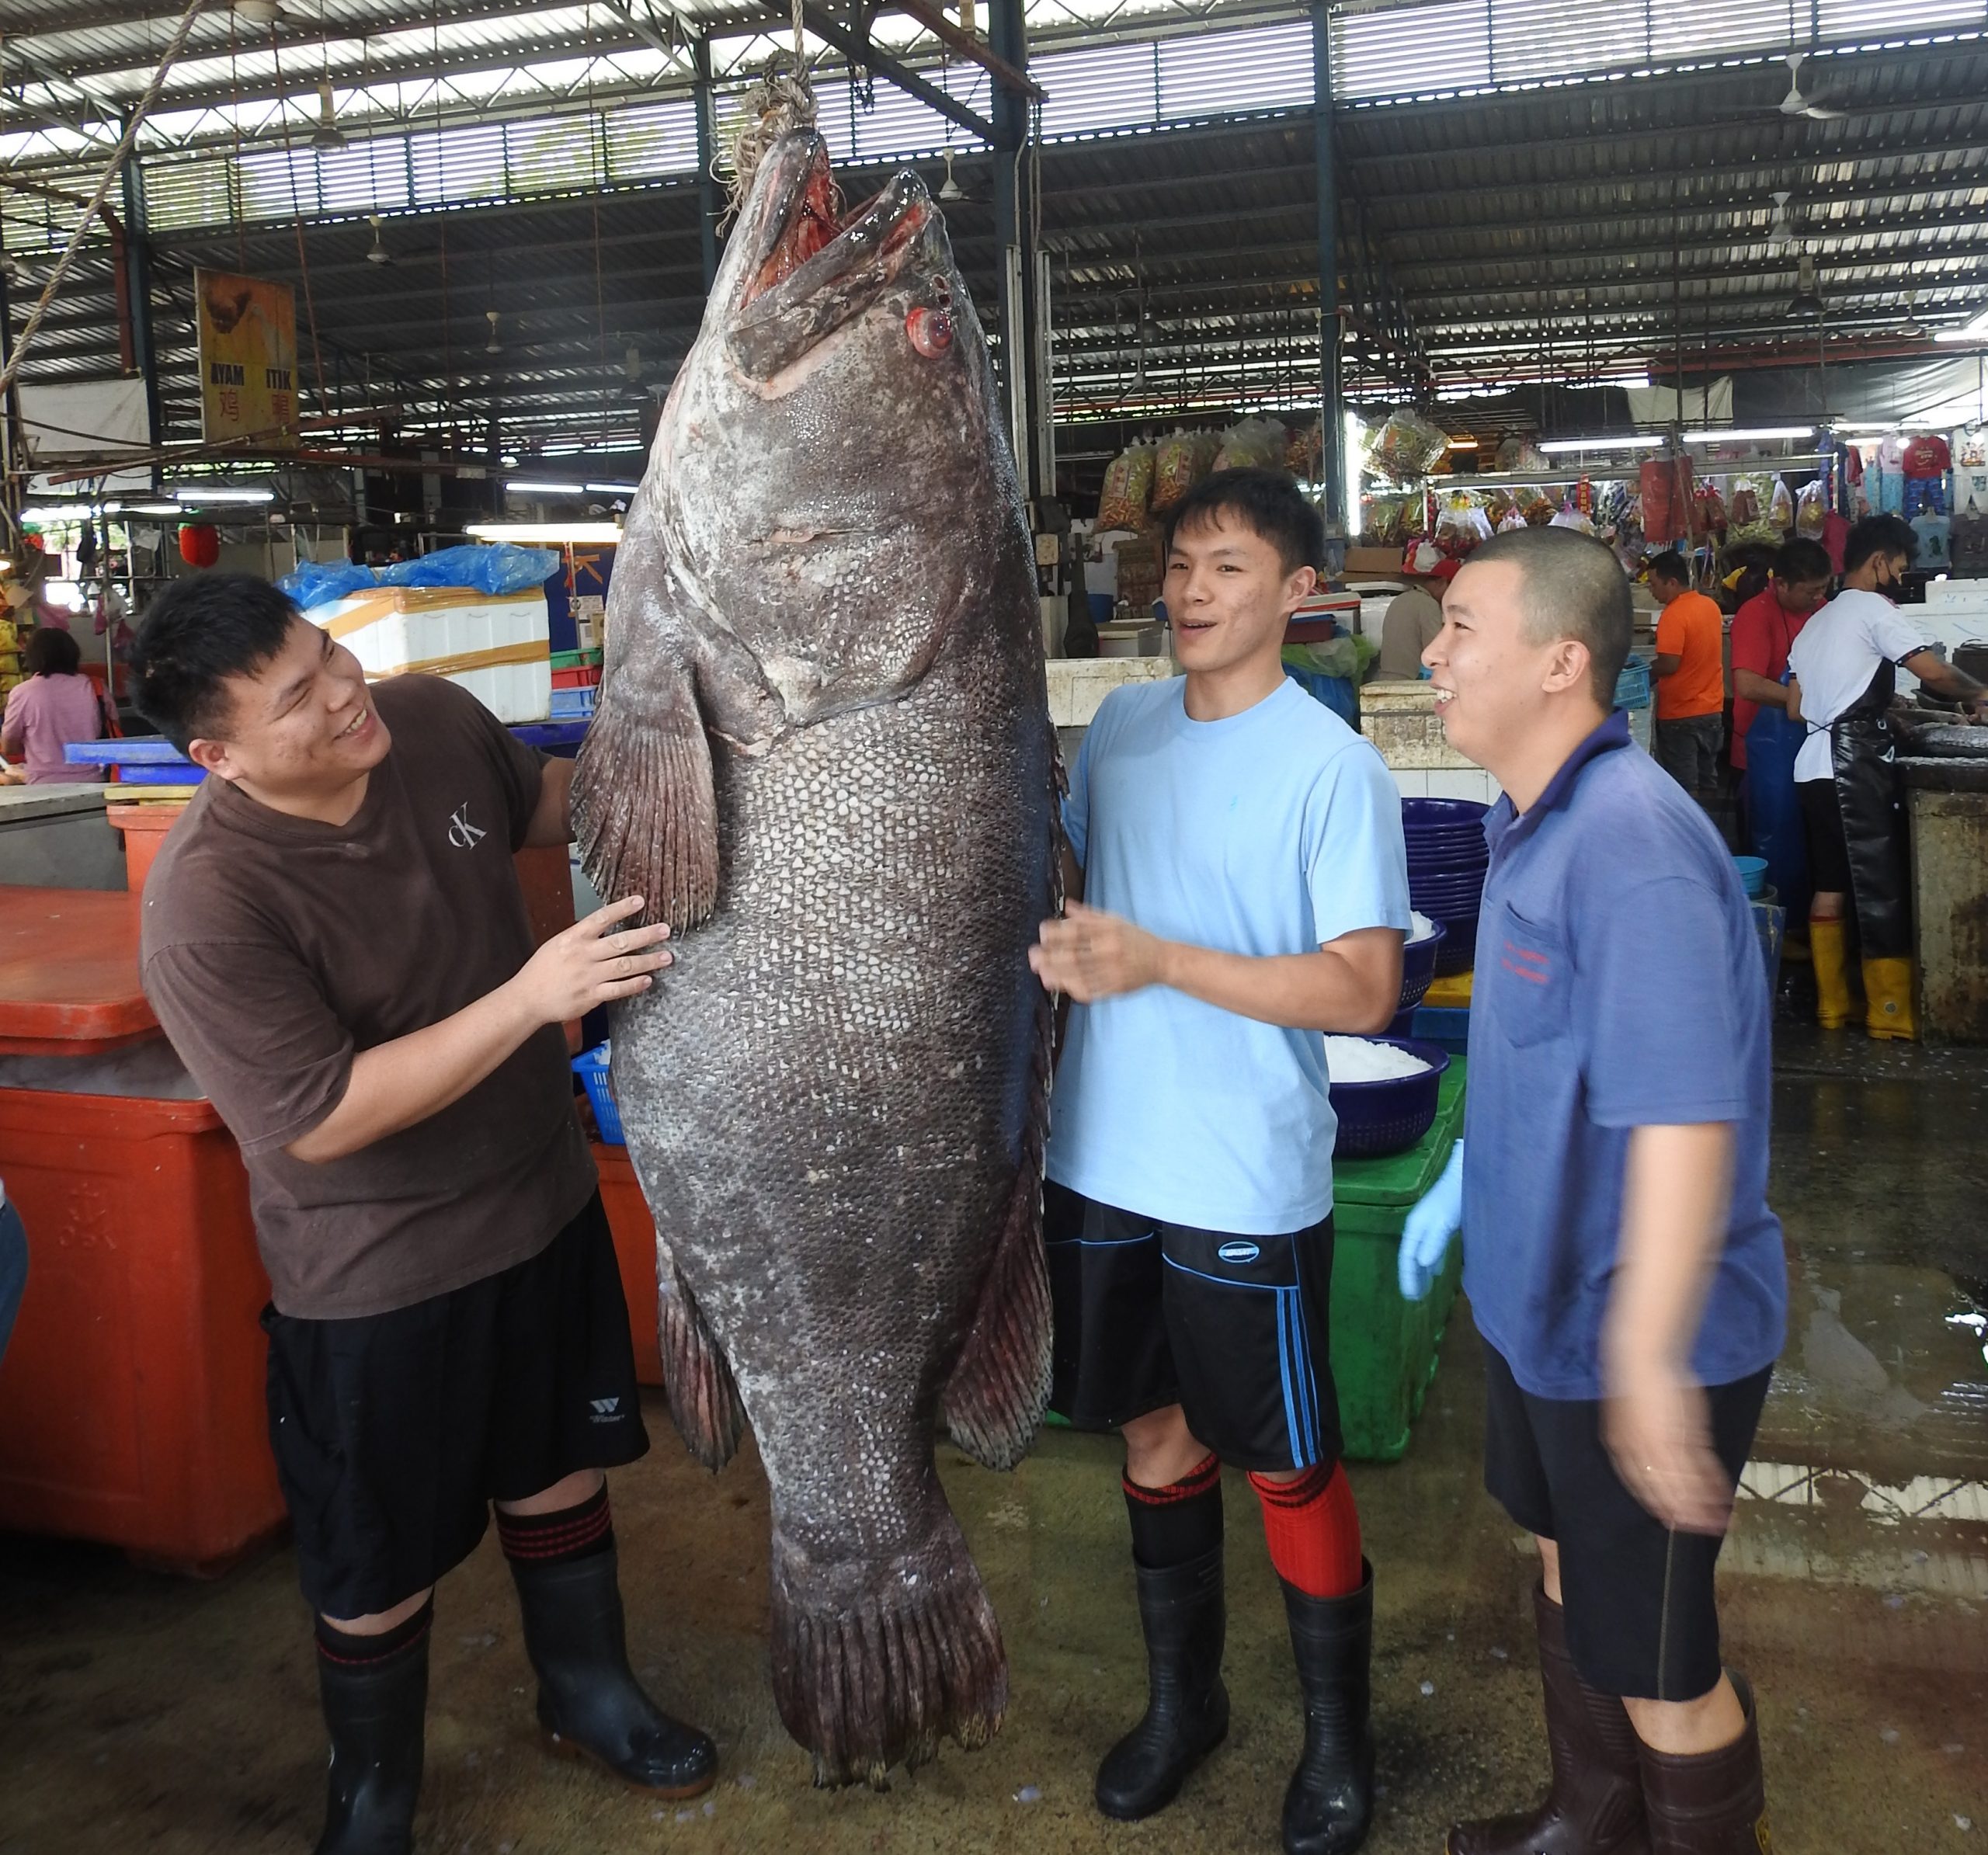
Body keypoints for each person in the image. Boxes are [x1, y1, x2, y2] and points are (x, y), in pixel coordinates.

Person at [129, 574, 714, 1855]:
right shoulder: (205, 905)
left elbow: (551, 802)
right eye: (299, 697)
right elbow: (320, 1113)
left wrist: (703, 757)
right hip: (376, 1270)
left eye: (329, 653)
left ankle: (587, 1691)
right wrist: (529, 996)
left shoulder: (433, 721)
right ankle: (376, 1786)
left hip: (541, 1203)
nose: (344, 695)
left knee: (557, 1466)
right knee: (374, 1557)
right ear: (218, 756)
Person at [1028, 467, 1410, 1855]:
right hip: (1100, 1156)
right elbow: (1063, 877)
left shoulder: (1329, 766)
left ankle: (1334, 1740)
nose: (1190, 591)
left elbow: (1366, 989)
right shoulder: (1121, 726)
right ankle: (1186, 1703)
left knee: (1288, 1460)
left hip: (1243, 1168)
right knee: (1146, 1425)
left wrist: (1157, 958)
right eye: (1178, 564)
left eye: (1228, 567)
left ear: (1300, 593)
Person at [1398, 526, 1785, 1855]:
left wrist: (1646, 1347)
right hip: (1543, 1310)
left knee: (1664, 1665)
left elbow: (1683, 1114)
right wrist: (1471, 1184)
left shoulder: (1632, 843)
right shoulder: (1531, 825)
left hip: (1640, 1327)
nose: (1433, 654)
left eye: (1460, 627)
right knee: (1567, 1562)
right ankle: (1591, 1816)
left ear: (1563, 661)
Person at [1786, 514, 1988, 1038]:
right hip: (1854, 764)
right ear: (1878, 563)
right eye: (1899, 567)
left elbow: (1795, 707)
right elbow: (1935, 672)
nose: (1900, 577)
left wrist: (1876, 701)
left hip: (1811, 765)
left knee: (1829, 883)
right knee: (1879, 883)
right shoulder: (1874, 609)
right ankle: (1890, 1014)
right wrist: (1980, 693)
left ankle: (1834, 1006)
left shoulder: (1815, 623)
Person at [1728, 537, 1832, 919]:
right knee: (1770, 841)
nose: (1818, 598)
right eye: (1810, 591)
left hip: (1810, 747)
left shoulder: (1822, 611)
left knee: (1809, 840)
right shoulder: (1755, 615)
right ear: (1781, 583)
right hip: (1762, 752)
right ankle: (1774, 928)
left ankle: (1809, 922)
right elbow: (1749, 685)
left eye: (1824, 588)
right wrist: (1805, 703)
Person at [1646, 554, 1726, 808]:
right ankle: (1712, 835)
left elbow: (1670, 664)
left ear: (1671, 582)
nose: (1652, 591)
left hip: (1681, 714)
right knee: (1707, 782)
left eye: (1654, 584)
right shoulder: (1709, 606)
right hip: (1712, 710)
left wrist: (1643, 672)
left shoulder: (1673, 615)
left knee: (1684, 788)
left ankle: (1690, 841)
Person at [1, 627, 106, 783]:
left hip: (43, 784)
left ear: (32, 658)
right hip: (95, 781)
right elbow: (112, 734)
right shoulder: (96, 686)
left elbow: (9, 746)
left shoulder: (22, 692)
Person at [1373, 571, 1448, 680]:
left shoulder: (1400, 599)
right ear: (1442, 581)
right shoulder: (1428, 604)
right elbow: (1434, 648)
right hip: (1408, 681)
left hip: (1386, 678)